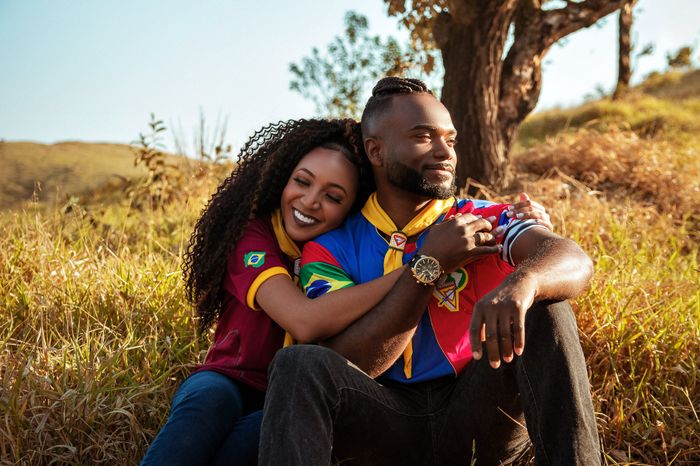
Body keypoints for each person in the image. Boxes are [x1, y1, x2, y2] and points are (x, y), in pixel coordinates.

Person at [140, 116, 554, 465]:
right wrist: (425, 263)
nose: (310, 201)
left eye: (333, 196)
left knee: (240, 450)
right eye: (301, 182)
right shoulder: (254, 237)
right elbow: (305, 321)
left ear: (352, 206)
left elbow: (475, 220)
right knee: (203, 411)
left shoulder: (345, 250)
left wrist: (525, 217)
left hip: (294, 393)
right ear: (280, 180)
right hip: (231, 378)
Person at [258, 78, 600, 466]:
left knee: (548, 307)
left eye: (450, 140)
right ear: (376, 150)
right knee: (296, 364)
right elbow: (353, 362)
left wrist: (525, 282)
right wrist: (428, 268)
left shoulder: (484, 219)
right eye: (423, 137)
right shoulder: (330, 248)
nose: (444, 153)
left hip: (478, 413)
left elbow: (572, 258)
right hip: (382, 425)